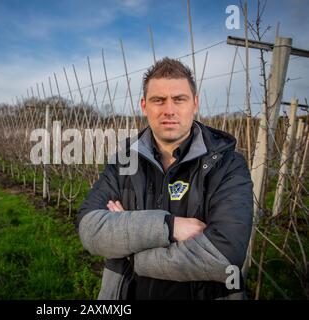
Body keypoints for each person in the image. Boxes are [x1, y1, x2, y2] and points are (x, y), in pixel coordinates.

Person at [77, 57, 253, 300]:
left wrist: (129, 250)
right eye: (158, 100)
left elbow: (223, 257)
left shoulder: (227, 165)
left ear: (195, 103)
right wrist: (170, 227)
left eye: (179, 99)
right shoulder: (123, 163)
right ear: (144, 105)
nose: (169, 109)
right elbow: (90, 229)